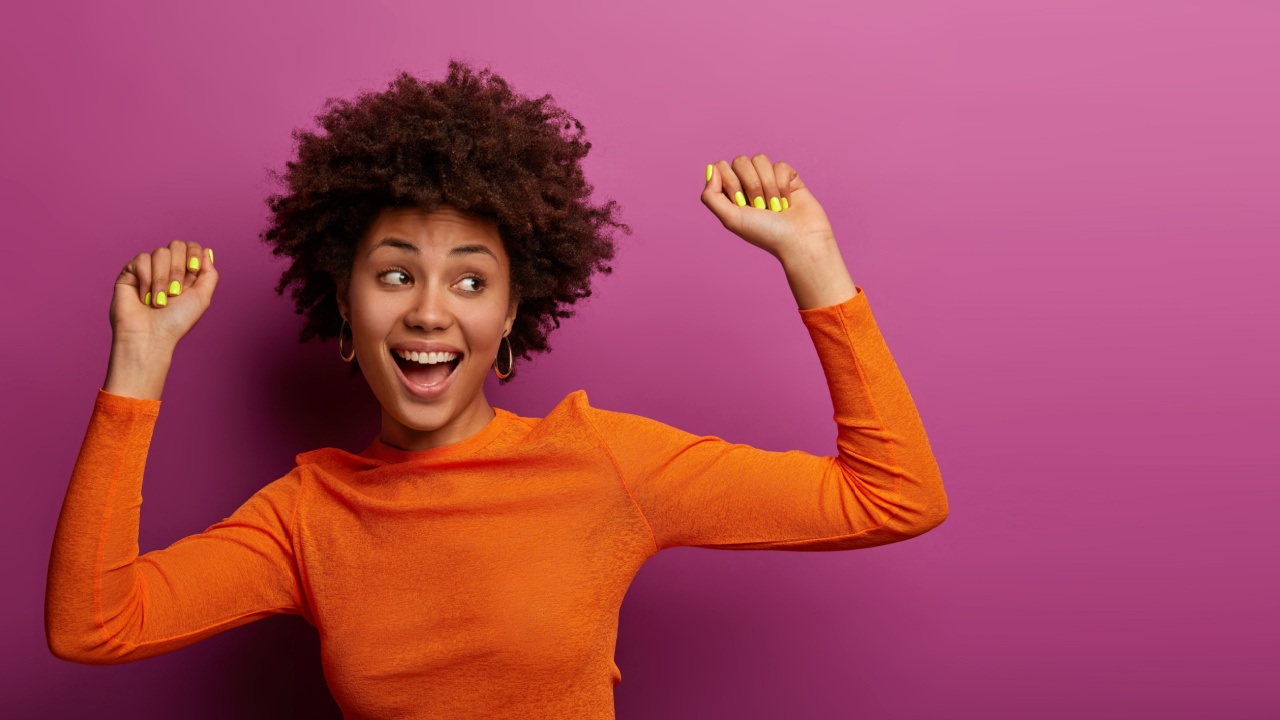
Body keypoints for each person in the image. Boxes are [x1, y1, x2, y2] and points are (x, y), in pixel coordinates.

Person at [45, 60, 949, 718]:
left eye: (471, 281)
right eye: (395, 275)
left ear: (515, 313)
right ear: (343, 302)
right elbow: (94, 627)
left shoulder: (600, 464)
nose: (431, 312)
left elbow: (894, 498)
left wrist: (813, 259)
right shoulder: (305, 517)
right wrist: (140, 357)